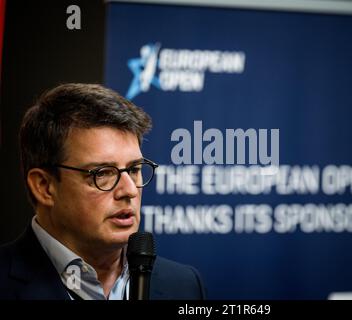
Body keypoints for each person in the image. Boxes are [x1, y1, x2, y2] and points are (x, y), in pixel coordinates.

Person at [0, 83, 206, 300]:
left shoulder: (184, 285)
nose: (130, 191)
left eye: (134, 169)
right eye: (102, 173)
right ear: (44, 187)